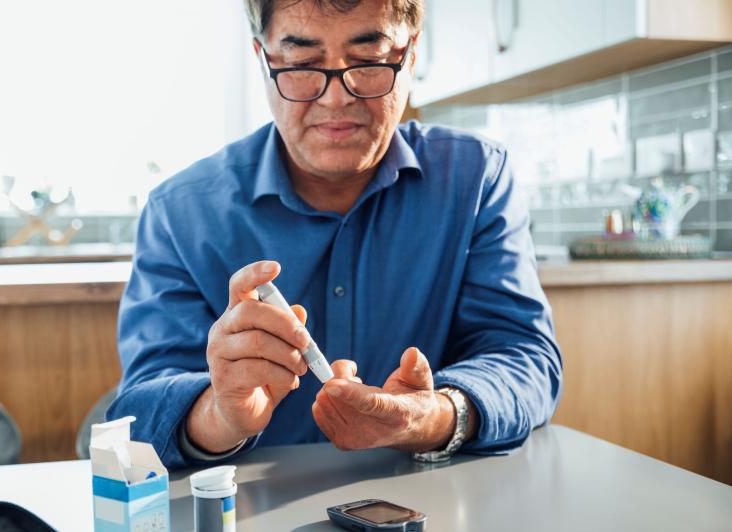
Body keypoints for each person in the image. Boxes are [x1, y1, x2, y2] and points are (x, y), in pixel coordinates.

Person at [107, 0, 562, 469]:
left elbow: (523, 357)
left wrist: (431, 416)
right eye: (303, 64)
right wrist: (220, 414)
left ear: (412, 52)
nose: (335, 98)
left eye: (367, 61)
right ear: (262, 57)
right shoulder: (180, 211)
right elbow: (138, 413)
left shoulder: (475, 177)